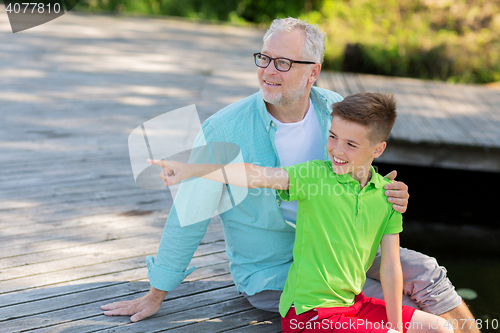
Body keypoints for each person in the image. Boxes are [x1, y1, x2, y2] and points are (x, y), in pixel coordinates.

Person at [101, 18, 477, 333]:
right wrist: (157, 291)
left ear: (313, 71)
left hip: (344, 248)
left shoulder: (336, 110)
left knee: (426, 272)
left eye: (283, 63)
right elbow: (190, 215)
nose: (268, 71)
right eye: (264, 58)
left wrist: (391, 195)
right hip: (277, 271)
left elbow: (359, 174)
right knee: (405, 309)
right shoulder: (224, 130)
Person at [146, 92, 453, 333]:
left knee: (441, 327)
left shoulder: (385, 194)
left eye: (350, 144)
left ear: (378, 150)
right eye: (332, 137)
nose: (337, 150)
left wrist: (396, 326)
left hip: (354, 304)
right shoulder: (314, 176)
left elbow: (390, 267)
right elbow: (256, 174)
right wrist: (191, 168)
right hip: (311, 313)